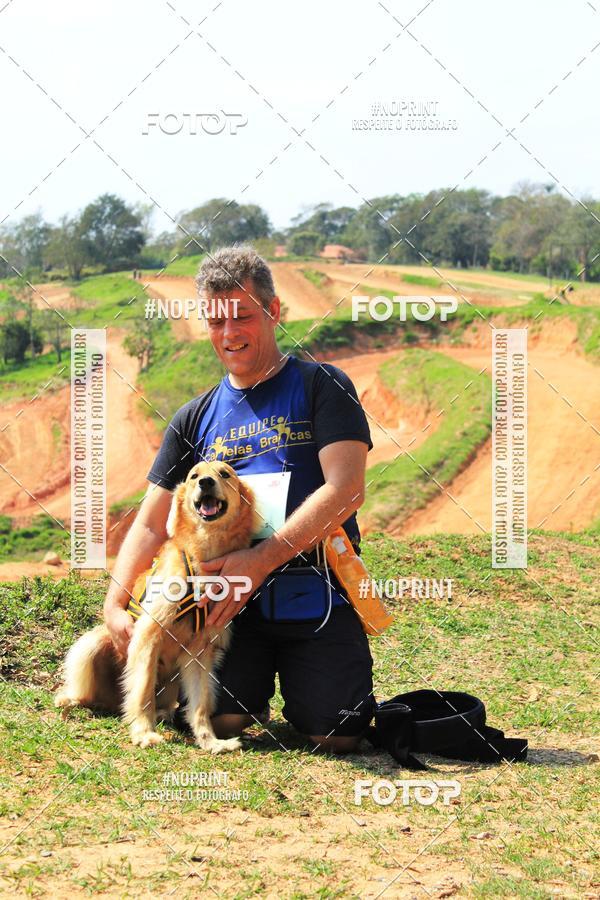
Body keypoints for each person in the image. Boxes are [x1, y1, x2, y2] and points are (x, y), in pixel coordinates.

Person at [104, 246, 374, 753]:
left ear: (273, 312)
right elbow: (151, 523)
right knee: (221, 719)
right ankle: (243, 696)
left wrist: (261, 559)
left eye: (243, 317)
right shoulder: (193, 417)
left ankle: (310, 689)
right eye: (215, 322)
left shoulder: (323, 385)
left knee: (337, 734)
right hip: (221, 606)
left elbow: (346, 490)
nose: (229, 334)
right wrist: (115, 604)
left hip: (313, 588)